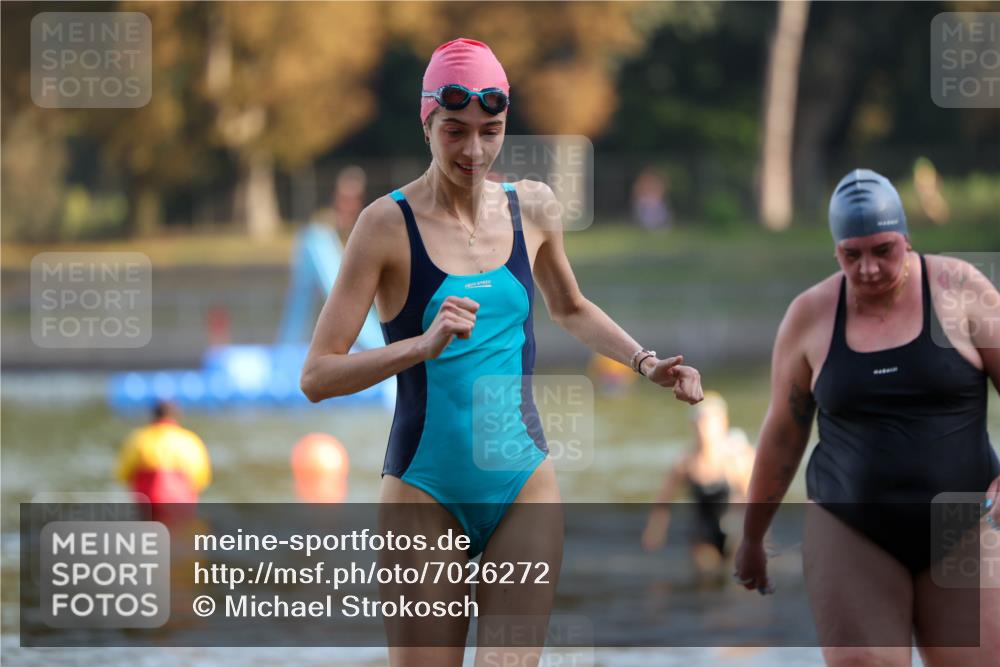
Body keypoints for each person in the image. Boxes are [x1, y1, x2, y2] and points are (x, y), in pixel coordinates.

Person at [300, 37, 703, 666]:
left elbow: (570, 307)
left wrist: (644, 362)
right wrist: (421, 345)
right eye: (455, 131)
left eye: (490, 132)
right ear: (426, 123)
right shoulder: (384, 224)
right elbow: (317, 375)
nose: (474, 150)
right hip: (423, 491)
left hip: (523, 488)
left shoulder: (532, 207)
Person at [733, 169, 1000, 666]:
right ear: (835, 250)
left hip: (964, 525)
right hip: (851, 526)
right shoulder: (810, 315)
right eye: (851, 255)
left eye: (883, 250)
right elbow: (783, 435)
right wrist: (752, 536)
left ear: (906, 238)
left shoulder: (961, 289)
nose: (869, 268)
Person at [642, 391, 755, 574]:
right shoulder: (685, 462)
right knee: (705, 573)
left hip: (735, 527)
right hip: (703, 530)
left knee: (738, 575)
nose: (704, 428)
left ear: (723, 423)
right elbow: (663, 500)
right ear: (693, 426)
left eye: (709, 422)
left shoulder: (737, 459)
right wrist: (655, 530)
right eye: (700, 422)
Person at [116, 400, 212, 506]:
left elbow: (123, 474)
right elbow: (201, 479)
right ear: (177, 416)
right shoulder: (190, 440)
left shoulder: (138, 439)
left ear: (153, 415)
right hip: (180, 505)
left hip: (148, 504)